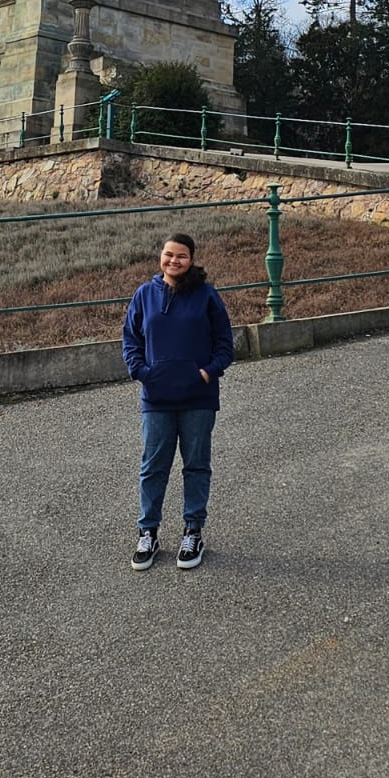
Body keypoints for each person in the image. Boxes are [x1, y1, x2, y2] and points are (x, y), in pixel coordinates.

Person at [122, 232, 234, 572]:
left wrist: (207, 373)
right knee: (153, 466)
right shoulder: (144, 295)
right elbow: (131, 340)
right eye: (169, 254)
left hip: (198, 396)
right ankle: (148, 532)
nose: (174, 260)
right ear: (161, 256)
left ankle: (192, 531)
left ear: (191, 259)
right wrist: (143, 372)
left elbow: (225, 345)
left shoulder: (207, 296)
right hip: (156, 397)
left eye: (181, 255)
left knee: (196, 465)